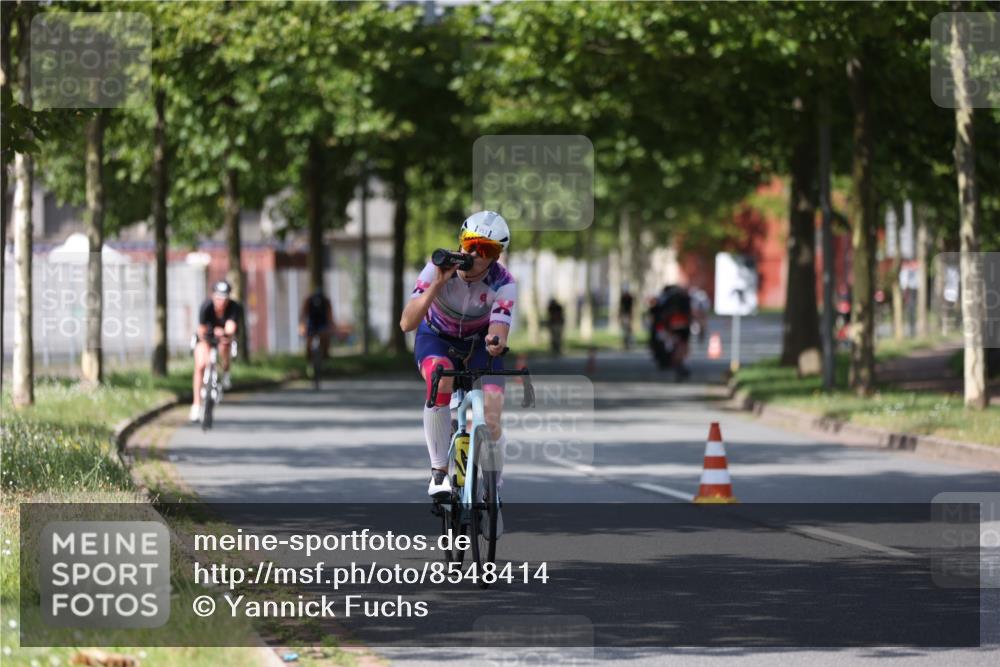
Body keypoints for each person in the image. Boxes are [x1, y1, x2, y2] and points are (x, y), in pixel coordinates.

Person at [399, 211, 516, 497]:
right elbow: (406, 324)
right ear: (461, 243)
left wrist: (495, 341)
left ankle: (493, 489)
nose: (475, 254)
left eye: (486, 249)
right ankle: (439, 473)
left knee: (491, 416)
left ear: (496, 256)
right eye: (470, 244)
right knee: (440, 377)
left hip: (478, 345)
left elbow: (500, 328)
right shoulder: (437, 268)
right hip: (436, 340)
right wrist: (438, 283)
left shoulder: (503, 281)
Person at [191, 281, 242, 421]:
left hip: (223, 337)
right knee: (200, 364)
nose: (221, 301)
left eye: (224, 298)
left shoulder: (234, 307)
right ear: (213, 297)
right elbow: (201, 330)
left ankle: (225, 372)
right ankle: (196, 405)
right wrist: (211, 333)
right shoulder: (206, 306)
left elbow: (231, 328)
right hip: (206, 336)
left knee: (225, 346)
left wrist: (224, 333)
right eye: (218, 298)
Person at [299, 288, 335, 363]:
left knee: (324, 337)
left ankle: (325, 355)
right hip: (312, 323)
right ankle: (309, 358)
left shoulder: (326, 302)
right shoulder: (309, 301)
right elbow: (303, 314)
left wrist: (331, 326)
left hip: (322, 323)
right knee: (309, 340)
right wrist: (302, 325)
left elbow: (330, 316)